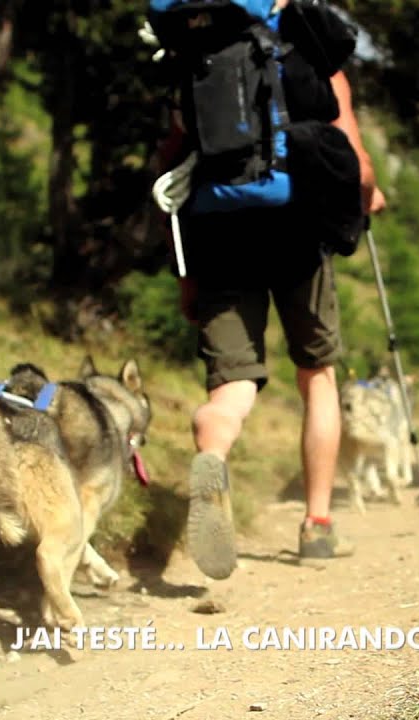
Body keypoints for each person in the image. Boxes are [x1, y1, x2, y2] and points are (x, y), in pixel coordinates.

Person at [152, 1, 386, 581]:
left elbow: (171, 160)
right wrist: (367, 196)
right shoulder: (307, 39)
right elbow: (353, 158)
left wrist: (187, 278)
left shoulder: (197, 45)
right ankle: (317, 526)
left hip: (217, 227)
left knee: (232, 384)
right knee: (318, 373)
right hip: (297, 228)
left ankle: (212, 452)